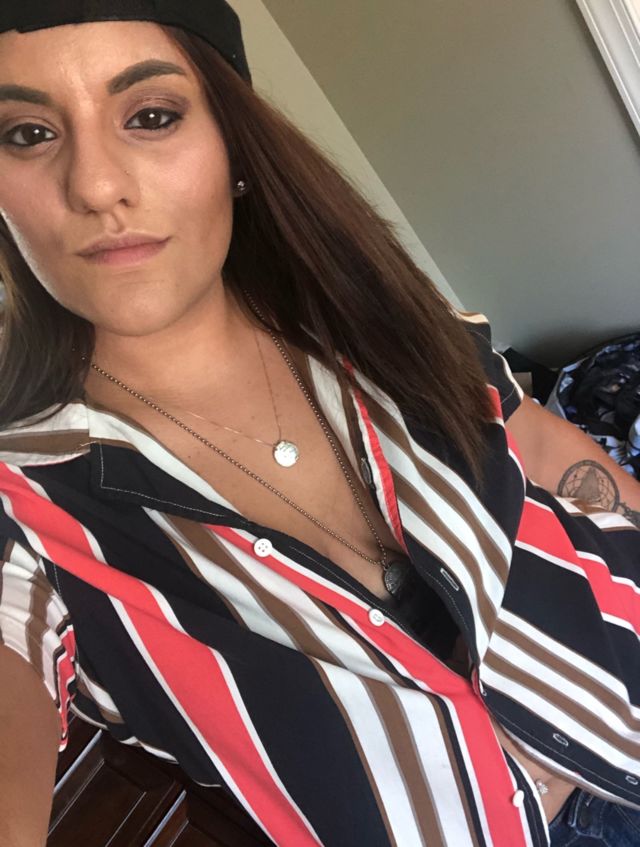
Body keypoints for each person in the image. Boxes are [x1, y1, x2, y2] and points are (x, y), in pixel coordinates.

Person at [0, 4, 639, 846]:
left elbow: (540, 442)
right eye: (28, 135)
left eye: (151, 116)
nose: (94, 185)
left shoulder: (362, 309)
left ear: (233, 146)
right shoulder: (24, 509)